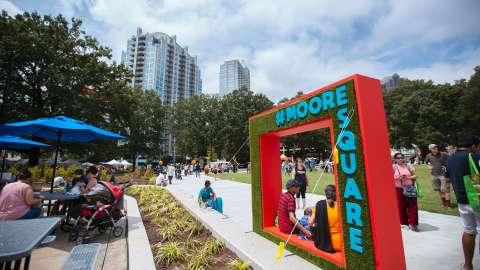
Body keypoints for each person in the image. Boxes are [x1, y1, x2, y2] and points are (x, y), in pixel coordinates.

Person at [445, 136, 480, 270]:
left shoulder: (451, 158)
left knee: (469, 230)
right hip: (477, 198)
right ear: (474, 146)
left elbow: (447, 178)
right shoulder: (474, 156)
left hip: (462, 200)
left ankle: (467, 265)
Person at [312, 185, 343, 252]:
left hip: (322, 242)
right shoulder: (341, 206)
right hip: (340, 243)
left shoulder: (319, 204)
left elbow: (310, 222)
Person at [393, 153, 419, 231]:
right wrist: (398, 178)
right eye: (398, 158)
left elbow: (416, 176)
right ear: (395, 159)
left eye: (402, 157)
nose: (400, 159)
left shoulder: (408, 165)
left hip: (410, 188)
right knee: (402, 206)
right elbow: (390, 178)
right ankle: (404, 223)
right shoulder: (393, 167)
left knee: (413, 206)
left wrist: (408, 177)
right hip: (399, 189)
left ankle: (413, 223)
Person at [425, 144, 451, 209]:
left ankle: (448, 206)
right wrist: (428, 166)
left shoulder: (444, 154)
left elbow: (451, 160)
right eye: (433, 148)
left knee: (446, 190)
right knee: (439, 190)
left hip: (444, 175)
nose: (435, 148)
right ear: (430, 149)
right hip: (434, 175)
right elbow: (426, 162)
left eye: (436, 147)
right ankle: (444, 203)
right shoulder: (428, 155)